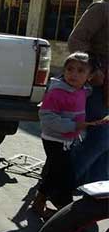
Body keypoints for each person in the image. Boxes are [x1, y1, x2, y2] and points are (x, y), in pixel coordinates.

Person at [30, 52, 106, 218]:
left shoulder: (84, 90)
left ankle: (40, 201)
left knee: (53, 172)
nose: (74, 74)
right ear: (63, 71)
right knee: (65, 175)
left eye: (80, 71)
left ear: (89, 76)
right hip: (54, 139)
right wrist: (73, 125)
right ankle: (65, 211)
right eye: (70, 69)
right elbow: (46, 116)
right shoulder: (58, 93)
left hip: (68, 139)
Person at [68, 0, 109, 185]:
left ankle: (95, 196)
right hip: (99, 85)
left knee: (106, 144)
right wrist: (94, 70)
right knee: (100, 138)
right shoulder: (102, 9)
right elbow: (76, 40)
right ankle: (61, 185)